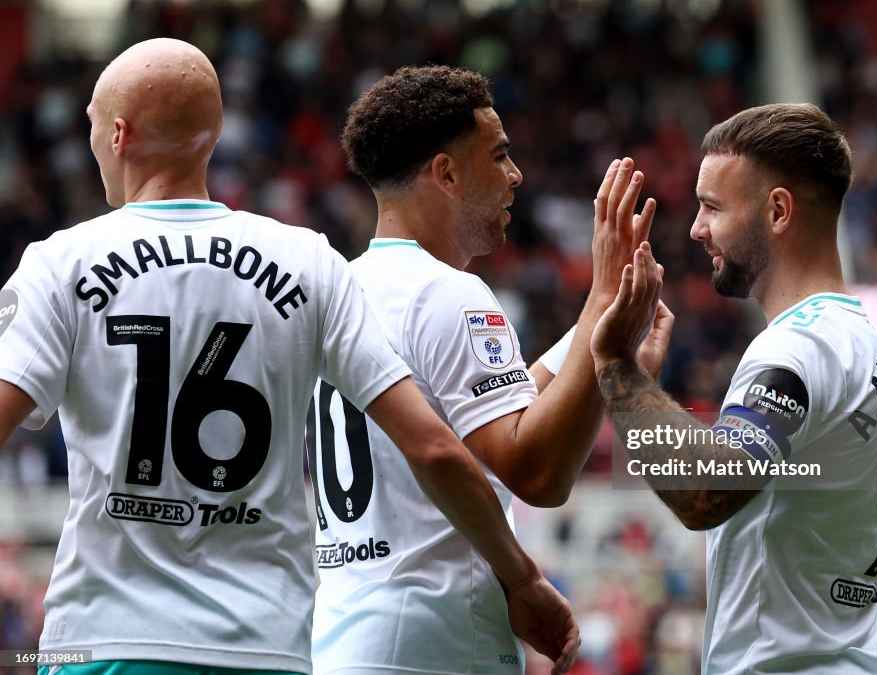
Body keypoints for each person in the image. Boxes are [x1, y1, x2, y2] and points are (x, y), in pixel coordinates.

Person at [0, 39, 578, 675]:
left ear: (117, 134)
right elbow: (436, 449)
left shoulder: (61, 264)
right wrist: (521, 579)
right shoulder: (308, 262)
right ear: (212, 135)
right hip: (266, 648)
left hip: (104, 640)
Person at [308, 65, 671, 675]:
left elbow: (496, 417)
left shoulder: (341, 289)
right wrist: (603, 306)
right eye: (499, 156)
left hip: (345, 633)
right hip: (432, 645)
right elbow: (537, 472)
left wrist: (598, 334)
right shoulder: (448, 294)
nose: (515, 175)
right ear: (446, 174)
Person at [589, 103, 877, 674]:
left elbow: (706, 492)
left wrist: (616, 366)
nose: (695, 228)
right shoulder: (869, 345)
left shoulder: (799, 347)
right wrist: (642, 386)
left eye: (712, 207)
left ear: (778, 211)